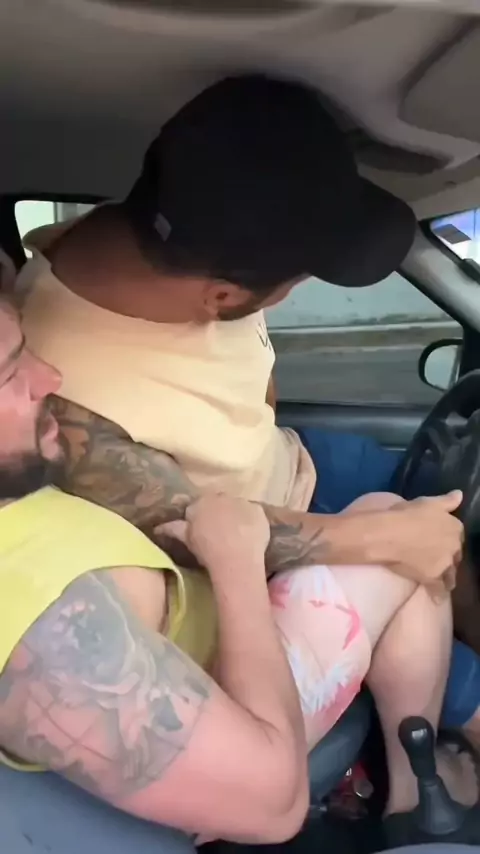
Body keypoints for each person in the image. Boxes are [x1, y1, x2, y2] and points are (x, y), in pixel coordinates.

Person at [14, 74, 477, 731]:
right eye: (297, 281)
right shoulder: (62, 399)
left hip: (290, 464)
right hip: (240, 552)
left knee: (451, 527)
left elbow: (259, 384)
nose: (289, 295)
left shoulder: (148, 234)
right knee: (437, 576)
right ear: (222, 298)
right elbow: (201, 534)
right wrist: (388, 537)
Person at [0, 295, 479, 850]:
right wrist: (237, 563)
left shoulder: (18, 496)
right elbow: (274, 803)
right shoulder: (40, 623)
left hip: (207, 650)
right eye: (11, 372)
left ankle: (415, 793)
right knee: (394, 539)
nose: (50, 377)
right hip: (229, 724)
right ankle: (416, 799)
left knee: (388, 523)